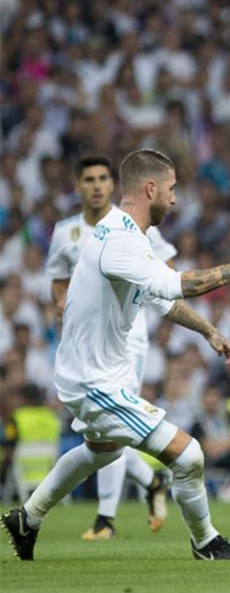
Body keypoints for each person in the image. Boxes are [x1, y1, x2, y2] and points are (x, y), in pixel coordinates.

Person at [1, 148, 230, 561]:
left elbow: (160, 299)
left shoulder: (126, 234)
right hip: (93, 381)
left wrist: (207, 329)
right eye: (171, 189)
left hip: (95, 374)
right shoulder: (119, 239)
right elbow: (176, 285)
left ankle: (27, 517)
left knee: (103, 452)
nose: (174, 198)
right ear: (150, 188)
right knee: (189, 455)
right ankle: (206, 542)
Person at [44, 155, 176, 541]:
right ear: (78, 186)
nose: (98, 185)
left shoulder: (130, 224)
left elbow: (166, 269)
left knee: (113, 423)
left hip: (128, 338)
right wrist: (59, 304)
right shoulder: (65, 233)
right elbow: (58, 280)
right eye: (89, 179)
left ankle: (106, 518)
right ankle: (151, 482)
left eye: (104, 178)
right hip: (84, 342)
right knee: (104, 430)